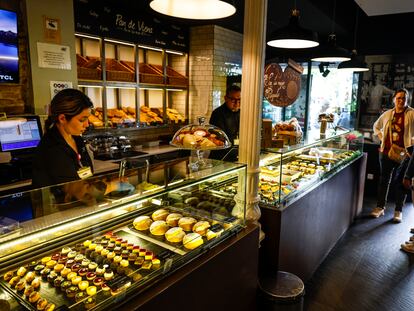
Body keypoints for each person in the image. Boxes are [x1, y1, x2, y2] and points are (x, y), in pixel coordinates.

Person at [32, 89, 94, 188]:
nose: (87, 124)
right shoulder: (53, 149)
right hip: (56, 202)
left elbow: (86, 176)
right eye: (82, 120)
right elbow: (76, 189)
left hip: (80, 200)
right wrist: (112, 186)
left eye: (87, 118)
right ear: (62, 119)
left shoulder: (77, 139)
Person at [370, 88, 414, 222]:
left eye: (404, 98)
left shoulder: (412, 113)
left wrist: (412, 143)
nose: (401, 100)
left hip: (404, 154)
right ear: (394, 99)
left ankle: (398, 211)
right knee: (384, 180)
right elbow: (375, 127)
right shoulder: (388, 114)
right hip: (386, 152)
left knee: (401, 182)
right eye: (399, 98)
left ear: (407, 100)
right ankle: (380, 207)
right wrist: (381, 137)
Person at [209, 85, 241, 162]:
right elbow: (220, 138)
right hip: (220, 158)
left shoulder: (242, 113)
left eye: (239, 100)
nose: (237, 103)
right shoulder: (217, 114)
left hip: (237, 156)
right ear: (225, 98)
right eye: (233, 100)